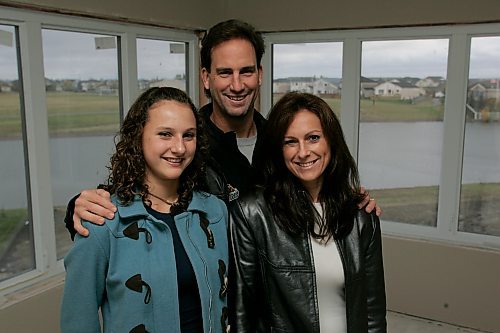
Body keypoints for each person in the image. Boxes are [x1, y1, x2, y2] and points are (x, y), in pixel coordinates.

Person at [64, 19, 380, 238]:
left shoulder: (282, 141)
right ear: (206, 78)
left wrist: (352, 202)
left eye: (246, 71)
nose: (237, 85)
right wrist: (79, 205)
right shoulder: (185, 145)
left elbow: (313, 192)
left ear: (260, 73)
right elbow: (128, 189)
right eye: (224, 72)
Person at [60, 87, 229, 333]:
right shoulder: (102, 220)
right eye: (165, 134)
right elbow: (78, 321)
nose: (179, 148)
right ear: (138, 136)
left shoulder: (215, 212)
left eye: (188, 135)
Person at [229, 92, 386, 333]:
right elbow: (244, 313)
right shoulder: (252, 213)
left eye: (313, 138)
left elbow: (373, 312)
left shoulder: (361, 215)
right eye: (290, 142)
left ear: (330, 141)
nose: (303, 152)